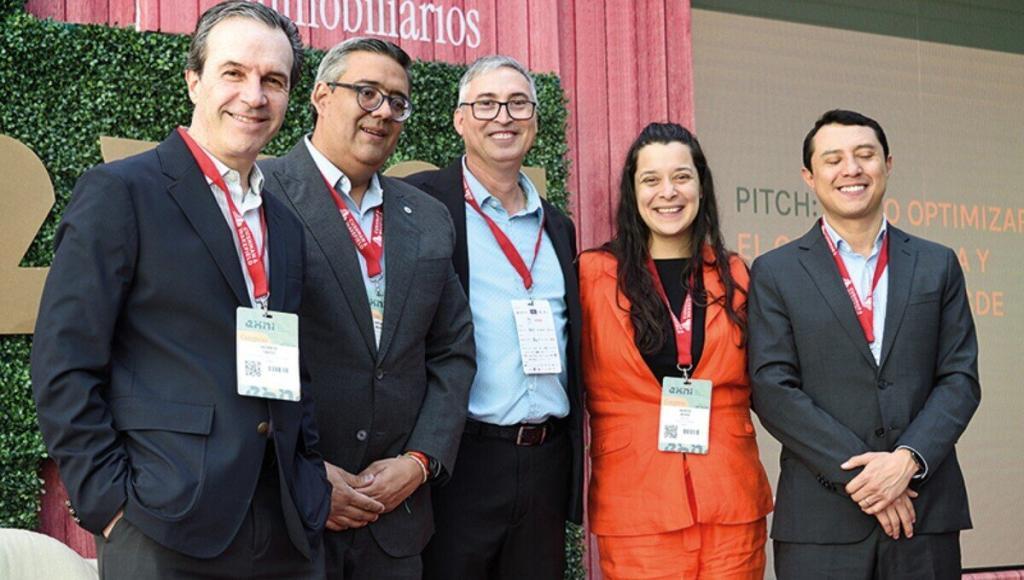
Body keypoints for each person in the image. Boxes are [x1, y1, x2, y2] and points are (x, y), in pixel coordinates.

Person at [30, 2, 331, 578]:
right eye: (233, 72)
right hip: (163, 525)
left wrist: (309, 474)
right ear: (194, 80)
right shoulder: (121, 192)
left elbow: (294, 368)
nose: (254, 96)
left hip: (286, 528)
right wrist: (111, 506)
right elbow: (63, 361)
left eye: (273, 80)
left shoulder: (285, 223)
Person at [259, 37, 476, 579]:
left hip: (395, 522)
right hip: (287, 518)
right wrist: (304, 471)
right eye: (367, 92)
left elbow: (453, 350)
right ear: (321, 95)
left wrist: (420, 461)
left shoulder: (427, 217)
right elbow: (239, 349)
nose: (383, 112)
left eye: (397, 101)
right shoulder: (260, 194)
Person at [748, 109, 981, 578]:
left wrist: (907, 462)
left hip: (923, 513)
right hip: (821, 523)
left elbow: (959, 378)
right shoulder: (775, 271)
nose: (851, 169)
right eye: (833, 159)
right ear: (809, 176)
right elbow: (772, 388)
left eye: (864, 155)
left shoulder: (937, 263)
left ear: (887, 165)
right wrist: (869, 478)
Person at [404, 55, 583, 580]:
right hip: (460, 460)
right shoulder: (422, 203)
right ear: (460, 119)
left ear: (535, 120)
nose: (503, 116)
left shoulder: (557, 226)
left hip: (545, 461)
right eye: (486, 104)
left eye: (517, 103)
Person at [578, 122, 773, 579]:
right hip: (635, 505)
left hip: (731, 500)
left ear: (701, 185)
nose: (668, 192)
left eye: (681, 177)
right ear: (633, 192)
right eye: (651, 179)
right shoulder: (591, 274)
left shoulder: (736, 275)